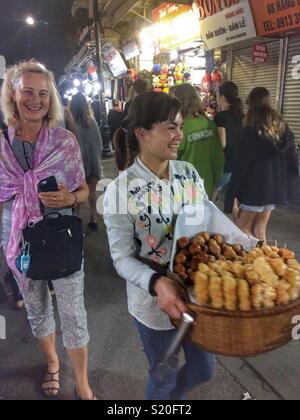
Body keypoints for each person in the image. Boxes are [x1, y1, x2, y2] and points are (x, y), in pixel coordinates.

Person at [104, 92, 215, 400]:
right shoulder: (121, 190)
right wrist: (157, 283)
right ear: (142, 133)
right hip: (154, 308)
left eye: (179, 126)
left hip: (197, 298)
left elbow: (209, 223)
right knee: (162, 376)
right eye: (171, 127)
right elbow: (121, 258)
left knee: (205, 368)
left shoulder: (188, 174)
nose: (179, 135)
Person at [0, 60, 96, 400]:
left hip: (59, 240)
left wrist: (70, 196)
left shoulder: (64, 142)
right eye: (27, 91)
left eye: (43, 93)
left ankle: (82, 382)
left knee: (73, 311)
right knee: (37, 308)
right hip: (18, 243)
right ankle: (53, 363)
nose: (35, 99)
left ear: (51, 99)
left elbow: (84, 191)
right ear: (13, 94)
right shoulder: (0, 146)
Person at [229, 87, 298, 242]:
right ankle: (264, 263)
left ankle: (250, 264)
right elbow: (293, 161)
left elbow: (241, 166)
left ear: (251, 106)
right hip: (274, 190)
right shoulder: (284, 130)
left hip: (253, 190)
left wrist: (233, 195)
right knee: (259, 231)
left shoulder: (250, 131)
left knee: (242, 230)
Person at [174, 84, 225, 199]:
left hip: (185, 185)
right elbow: (218, 156)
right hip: (207, 182)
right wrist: (216, 182)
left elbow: (173, 159)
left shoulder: (180, 127)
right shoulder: (209, 123)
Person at [70, 92, 103, 230]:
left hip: (77, 167)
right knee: (92, 193)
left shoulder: (70, 125)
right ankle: (93, 218)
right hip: (93, 164)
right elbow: (100, 144)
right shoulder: (92, 123)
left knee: (76, 194)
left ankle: (77, 218)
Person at [212, 81, 244, 211]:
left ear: (223, 98)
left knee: (213, 192)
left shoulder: (220, 117)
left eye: (217, 96)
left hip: (226, 163)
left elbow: (222, 143)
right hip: (239, 163)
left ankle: (209, 219)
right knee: (234, 199)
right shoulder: (242, 116)